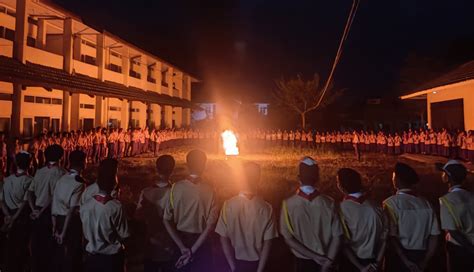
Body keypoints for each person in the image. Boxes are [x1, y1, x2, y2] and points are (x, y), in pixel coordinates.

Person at [280, 157, 342, 272]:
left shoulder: (287, 205)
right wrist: (327, 262)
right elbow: (337, 237)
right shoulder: (330, 203)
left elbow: (288, 238)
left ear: (299, 178)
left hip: (302, 263)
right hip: (327, 260)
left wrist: (315, 257)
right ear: (318, 178)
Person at [216, 162, 278, 272]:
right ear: (258, 179)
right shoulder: (267, 208)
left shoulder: (228, 205)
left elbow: (223, 239)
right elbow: (268, 244)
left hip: (236, 262)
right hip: (258, 264)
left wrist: (233, 267)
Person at [163, 149, 218, 272]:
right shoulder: (211, 190)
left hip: (180, 241)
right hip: (202, 244)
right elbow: (210, 225)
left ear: (187, 165)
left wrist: (182, 248)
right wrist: (192, 251)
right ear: (204, 165)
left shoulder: (175, 188)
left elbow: (166, 219)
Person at [383, 162, 440, 272]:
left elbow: (392, 237)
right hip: (421, 256)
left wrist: (406, 261)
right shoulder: (426, 203)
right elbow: (434, 236)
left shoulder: (390, 204)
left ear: (397, 180)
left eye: (393, 176)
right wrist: (425, 261)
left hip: (398, 257)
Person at [80, 159, 129, 272]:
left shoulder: (87, 199)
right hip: (110, 256)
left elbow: (85, 220)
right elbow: (124, 234)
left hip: (92, 252)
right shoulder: (115, 205)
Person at [336, 168, 388, 272]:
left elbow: (342, 243)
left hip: (350, 264)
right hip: (373, 263)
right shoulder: (378, 207)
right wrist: (377, 264)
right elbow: (384, 239)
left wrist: (361, 268)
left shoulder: (340, 210)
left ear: (341, 186)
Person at [135, 155, 178, 272]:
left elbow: (138, 216)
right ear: (172, 170)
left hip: (150, 244)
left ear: (156, 169)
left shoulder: (146, 192)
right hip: (170, 244)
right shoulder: (176, 194)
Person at [28, 144, 66, 272]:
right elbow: (53, 196)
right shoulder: (61, 173)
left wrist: (34, 209)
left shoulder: (39, 171)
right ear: (61, 157)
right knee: (49, 245)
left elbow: (29, 193)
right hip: (50, 212)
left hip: (37, 210)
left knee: (37, 243)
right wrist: (40, 212)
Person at [51, 150, 87, 272]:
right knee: (73, 255)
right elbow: (72, 210)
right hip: (70, 223)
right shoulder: (79, 183)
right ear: (82, 163)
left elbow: (54, 202)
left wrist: (55, 226)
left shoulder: (62, 179)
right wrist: (63, 232)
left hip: (59, 220)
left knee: (61, 255)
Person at [437, 160, 474, 271]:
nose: (442, 175)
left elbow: (452, 231)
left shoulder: (446, 200)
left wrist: (471, 249)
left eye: (444, 173)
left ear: (448, 178)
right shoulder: (471, 196)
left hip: (459, 249)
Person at [1, 151, 32, 272]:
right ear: (29, 164)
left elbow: (1, 201)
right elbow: (25, 203)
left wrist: (8, 216)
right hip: (21, 218)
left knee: (9, 247)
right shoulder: (30, 180)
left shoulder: (7, 180)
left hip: (8, 216)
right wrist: (14, 218)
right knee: (21, 247)